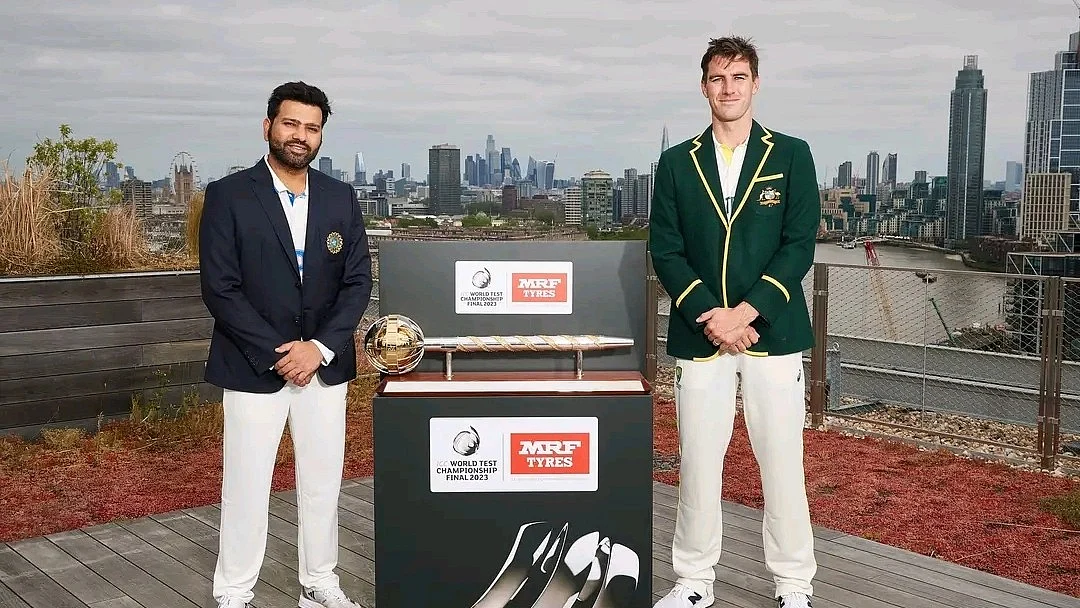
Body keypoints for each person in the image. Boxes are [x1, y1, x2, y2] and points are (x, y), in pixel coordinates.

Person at [648, 36, 820, 608]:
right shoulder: (676, 163)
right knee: (698, 462)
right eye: (718, 79)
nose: (729, 89)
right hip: (701, 336)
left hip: (772, 332)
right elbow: (666, 250)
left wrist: (746, 313)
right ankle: (694, 581)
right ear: (704, 87)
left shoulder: (792, 154)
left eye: (739, 77)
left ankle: (794, 585)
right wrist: (710, 317)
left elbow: (799, 247)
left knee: (782, 464)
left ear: (755, 84)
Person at [199, 81, 373, 608]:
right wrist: (283, 352)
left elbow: (358, 281)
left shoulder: (341, 197)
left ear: (321, 135)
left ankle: (319, 583)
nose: (301, 136)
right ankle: (234, 591)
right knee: (247, 485)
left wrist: (318, 347)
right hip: (254, 368)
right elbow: (220, 288)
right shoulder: (228, 195)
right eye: (291, 123)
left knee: (322, 485)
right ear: (269, 126)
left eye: (312, 127)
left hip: (323, 367)